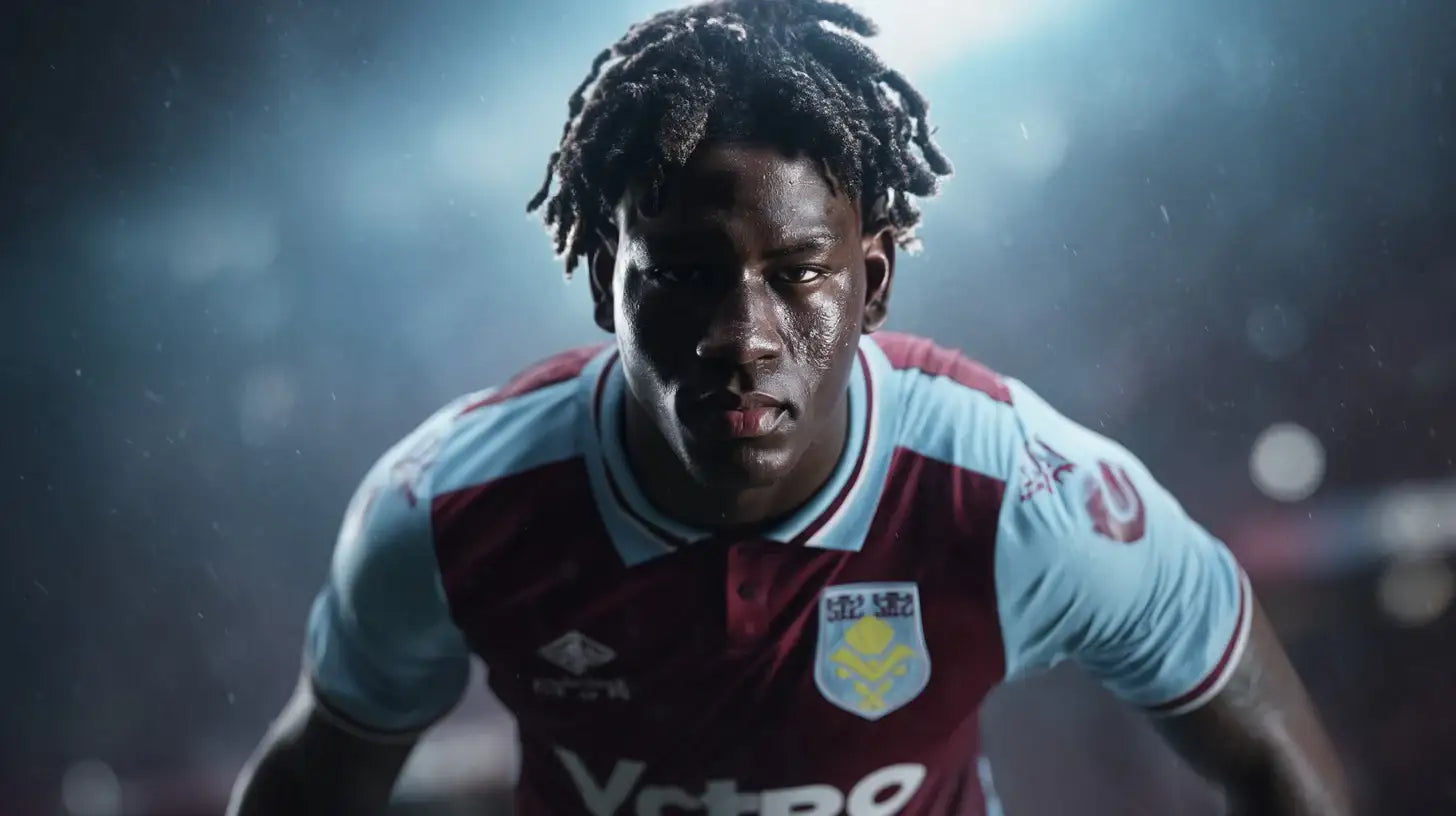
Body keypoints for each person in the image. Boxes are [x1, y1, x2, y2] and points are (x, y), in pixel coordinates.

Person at [228, 1, 1351, 813]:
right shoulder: (450, 508)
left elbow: (1263, 742)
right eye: (683, 273)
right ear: (599, 283)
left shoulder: (1026, 495)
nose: (741, 336)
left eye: (798, 271)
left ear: (873, 282)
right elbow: (316, 772)